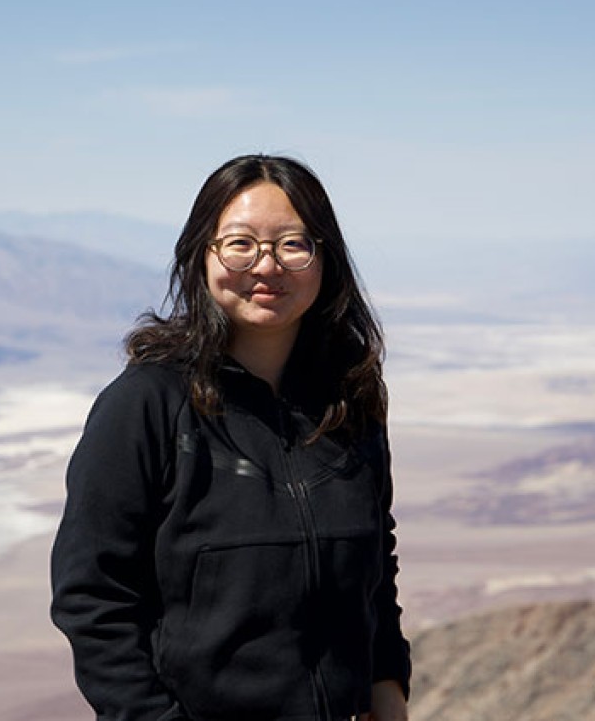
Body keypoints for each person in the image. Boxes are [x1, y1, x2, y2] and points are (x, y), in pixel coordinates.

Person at [50, 154, 411, 721]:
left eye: (293, 244)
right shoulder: (146, 405)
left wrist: (386, 682)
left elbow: (374, 564)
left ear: (326, 260)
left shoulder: (351, 403)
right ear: (202, 255)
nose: (266, 266)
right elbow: (92, 596)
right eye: (240, 243)